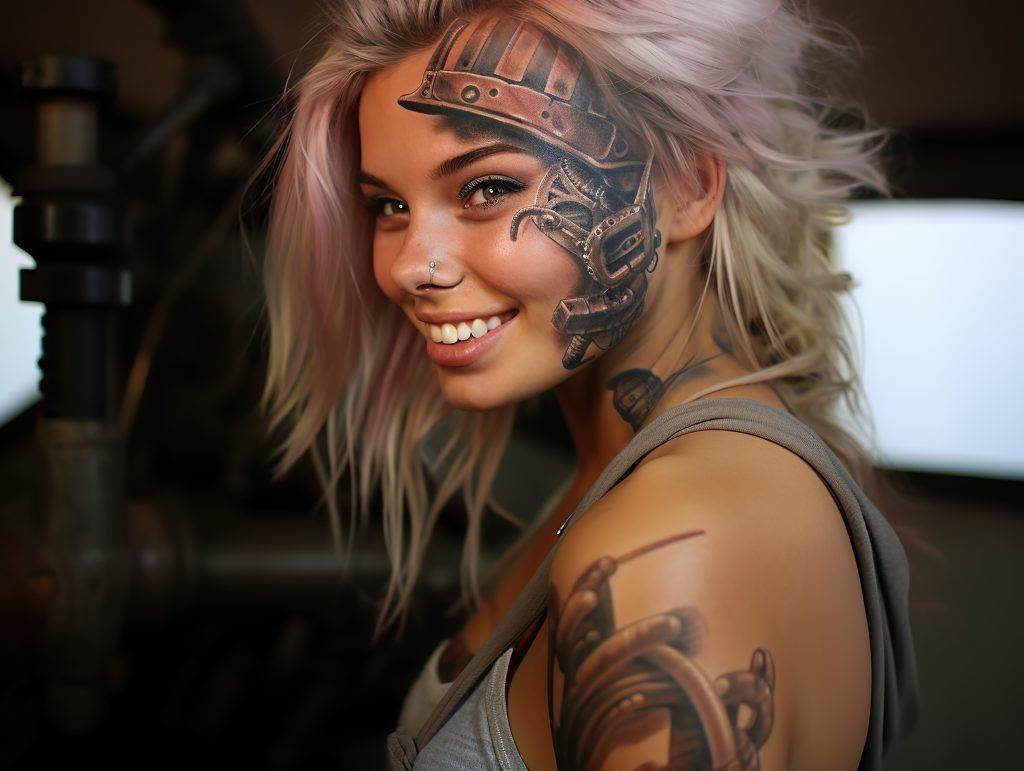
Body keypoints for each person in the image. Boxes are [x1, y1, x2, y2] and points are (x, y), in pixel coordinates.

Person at [252, 1, 920, 769]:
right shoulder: (640, 475)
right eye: (389, 206)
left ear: (687, 186)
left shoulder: (674, 543)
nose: (410, 265)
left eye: (486, 187)